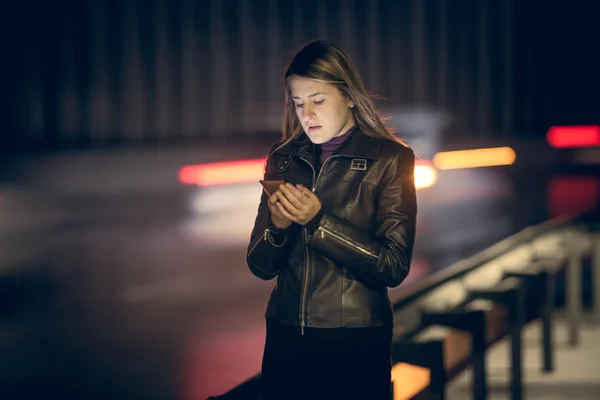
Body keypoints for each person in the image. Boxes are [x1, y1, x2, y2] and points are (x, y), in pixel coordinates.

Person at [246, 39, 417, 400]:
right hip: (286, 336)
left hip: (354, 339)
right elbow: (260, 266)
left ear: (350, 96)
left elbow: (393, 265)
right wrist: (277, 227)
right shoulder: (283, 158)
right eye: (298, 102)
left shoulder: (390, 159)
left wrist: (317, 221)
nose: (307, 114)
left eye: (318, 100)